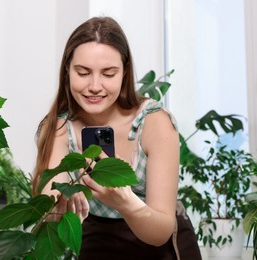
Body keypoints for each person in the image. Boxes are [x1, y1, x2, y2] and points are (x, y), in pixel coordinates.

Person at [32, 16, 201, 260]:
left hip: (157, 246)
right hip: (95, 241)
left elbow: (161, 231)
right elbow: (48, 203)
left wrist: (125, 202)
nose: (95, 86)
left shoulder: (154, 123)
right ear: (67, 71)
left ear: (124, 73)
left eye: (108, 74)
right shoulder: (59, 126)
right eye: (83, 72)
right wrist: (63, 197)